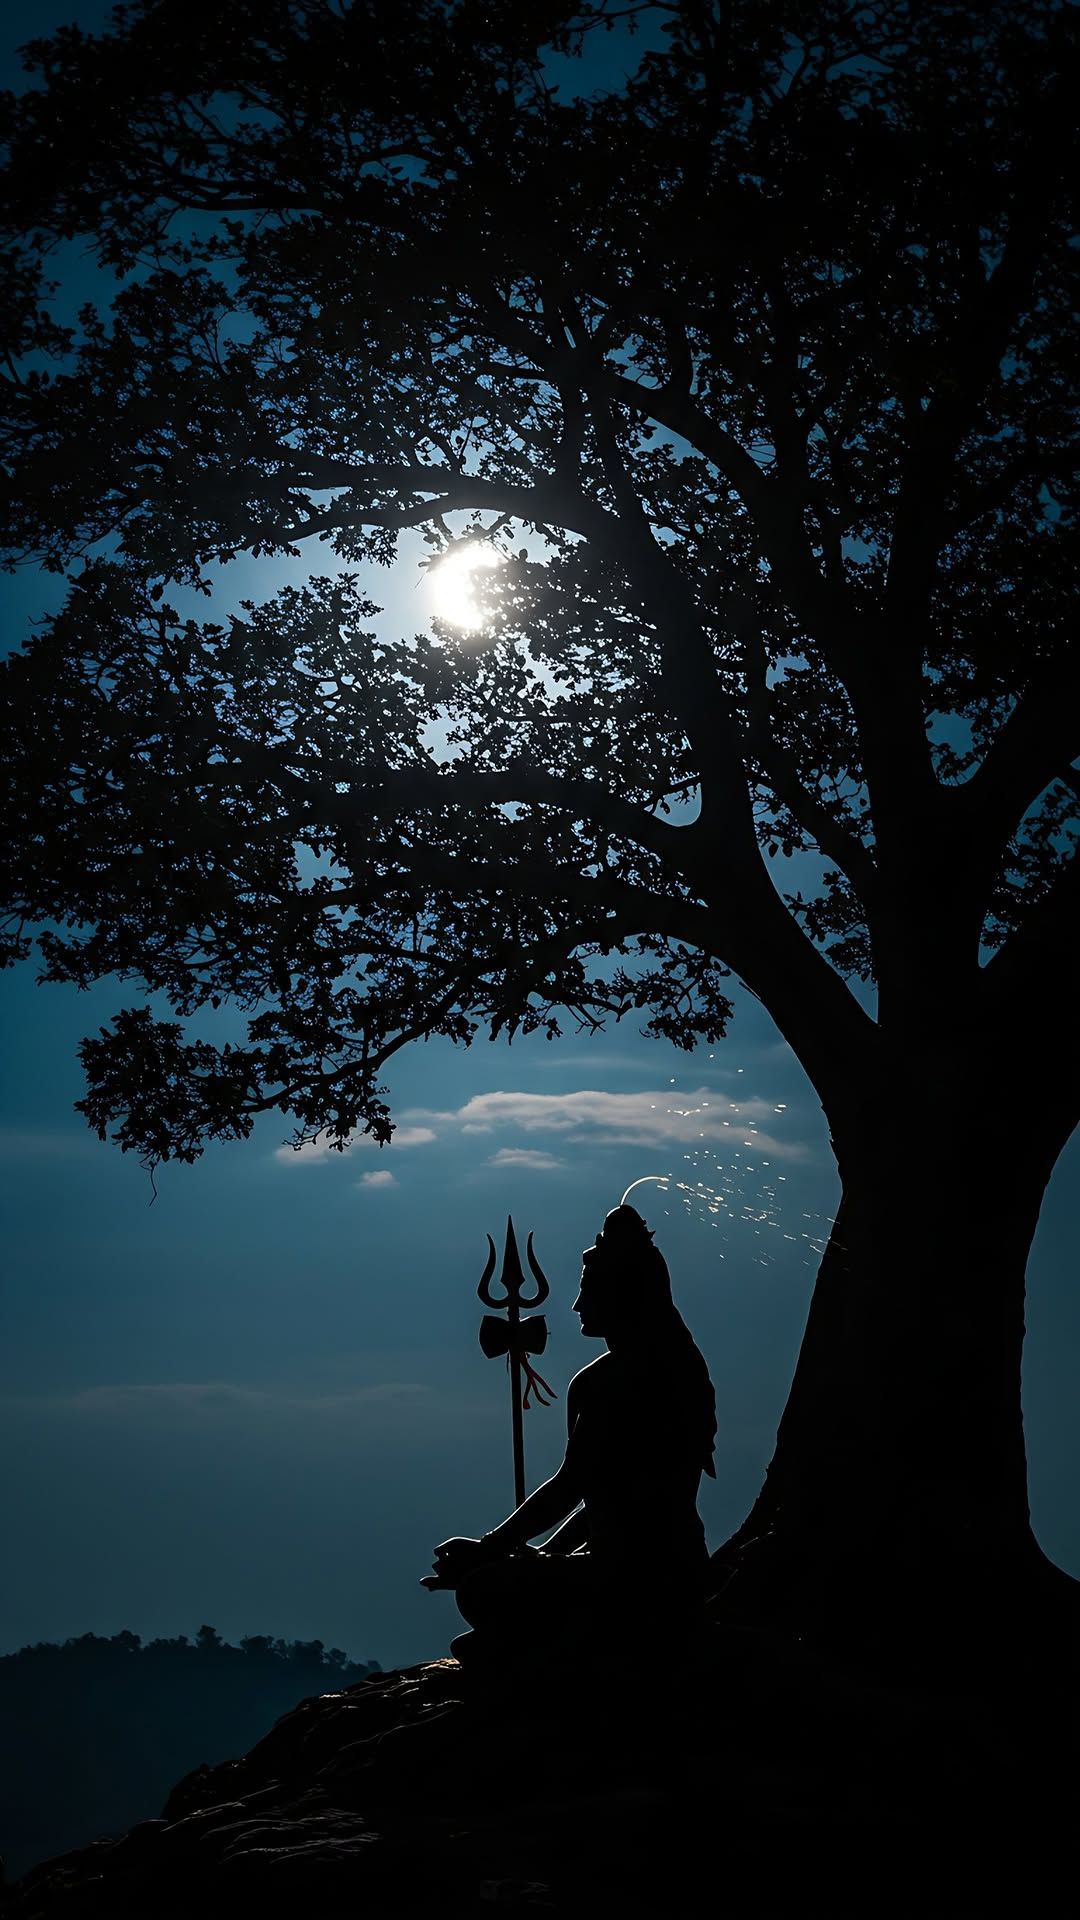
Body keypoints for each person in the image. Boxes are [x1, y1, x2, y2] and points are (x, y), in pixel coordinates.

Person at [422, 1204, 717, 1664]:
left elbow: (571, 1487)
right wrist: (538, 1554)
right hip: (659, 1564)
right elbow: (603, 1499)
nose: (577, 1305)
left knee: (483, 1591)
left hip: (637, 1573)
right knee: (497, 1587)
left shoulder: (616, 1380)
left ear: (623, 1295)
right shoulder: (674, 1369)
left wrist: (490, 1547)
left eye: (587, 1292)